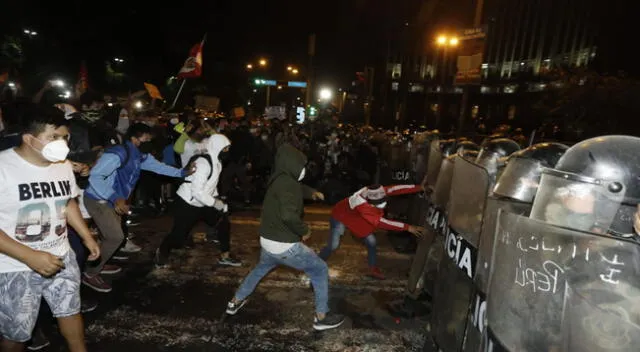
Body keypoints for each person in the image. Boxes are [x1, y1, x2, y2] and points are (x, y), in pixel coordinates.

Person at [0, 104, 100, 352]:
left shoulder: (63, 165)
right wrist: (30, 256)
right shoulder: (3, 168)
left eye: (64, 137)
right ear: (29, 138)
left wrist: (87, 237)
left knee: (70, 312)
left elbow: (67, 201)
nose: (62, 143)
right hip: (14, 266)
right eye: (53, 137)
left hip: (62, 256)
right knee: (17, 334)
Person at [225, 143, 345, 331]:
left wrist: (312, 193)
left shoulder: (279, 178)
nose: (304, 169)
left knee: (260, 269)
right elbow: (289, 215)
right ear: (292, 164)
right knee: (319, 269)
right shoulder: (288, 184)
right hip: (284, 245)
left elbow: (297, 187)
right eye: (301, 165)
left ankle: (234, 301)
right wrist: (304, 230)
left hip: (267, 241)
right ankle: (321, 316)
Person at [82, 123, 193, 293]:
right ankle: (89, 273)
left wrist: (181, 173)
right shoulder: (118, 154)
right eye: (146, 139)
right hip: (99, 199)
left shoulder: (140, 155)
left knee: (110, 235)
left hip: (115, 201)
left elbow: (158, 167)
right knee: (115, 237)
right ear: (134, 139)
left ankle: (99, 262)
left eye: (150, 139)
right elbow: (96, 177)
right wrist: (115, 198)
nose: (149, 142)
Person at [155, 134, 241, 267]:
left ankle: (225, 255)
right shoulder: (202, 163)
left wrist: (218, 200)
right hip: (188, 203)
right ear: (217, 147)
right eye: (225, 148)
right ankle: (162, 250)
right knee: (178, 238)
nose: (227, 151)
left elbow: (211, 184)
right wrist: (214, 203)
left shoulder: (217, 162)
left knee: (223, 223)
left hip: (204, 202)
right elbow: (197, 192)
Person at [319, 184, 425, 279]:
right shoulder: (363, 206)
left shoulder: (378, 192)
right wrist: (407, 227)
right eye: (377, 205)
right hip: (340, 216)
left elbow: (396, 189)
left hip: (356, 217)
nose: (382, 206)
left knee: (371, 242)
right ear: (370, 202)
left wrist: (419, 187)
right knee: (333, 245)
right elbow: (383, 222)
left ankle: (373, 269)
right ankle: (315, 264)